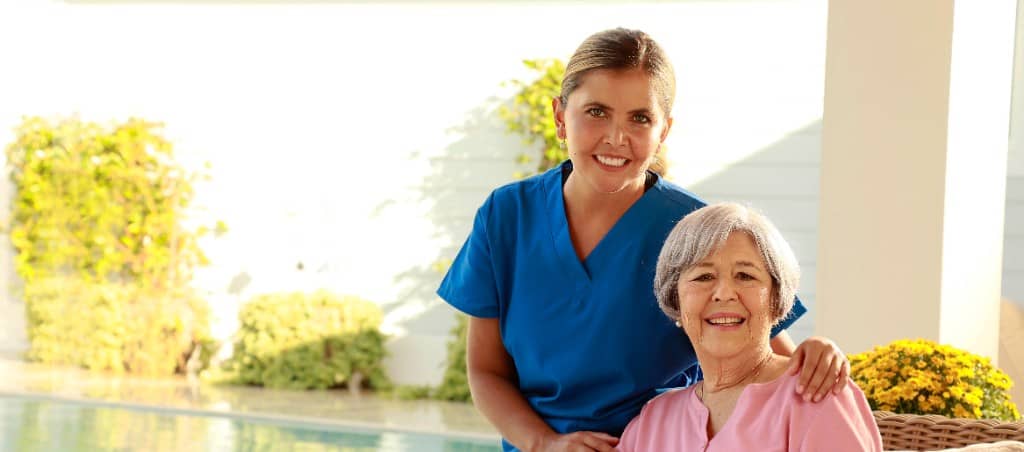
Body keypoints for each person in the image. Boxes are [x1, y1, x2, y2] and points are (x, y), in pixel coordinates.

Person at [437, 28, 850, 452]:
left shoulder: (695, 227)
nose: (617, 138)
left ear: (664, 131)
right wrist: (545, 443)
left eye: (640, 118)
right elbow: (486, 372)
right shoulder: (506, 216)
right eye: (596, 112)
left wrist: (814, 355)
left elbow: (759, 351)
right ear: (560, 116)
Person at [617, 202, 882, 451]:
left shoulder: (818, 395)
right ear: (675, 298)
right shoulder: (652, 422)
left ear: (777, 298)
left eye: (745, 276)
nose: (724, 293)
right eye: (703, 276)